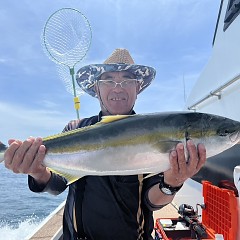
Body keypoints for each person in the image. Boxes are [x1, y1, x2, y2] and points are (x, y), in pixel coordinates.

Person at [4, 48, 206, 240]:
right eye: (108, 80)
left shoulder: (154, 133)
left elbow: (151, 202)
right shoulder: (75, 128)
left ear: (137, 88)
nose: (118, 87)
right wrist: (37, 171)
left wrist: (172, 182)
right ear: (96, 89)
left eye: (127, 80)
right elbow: (58, 185)